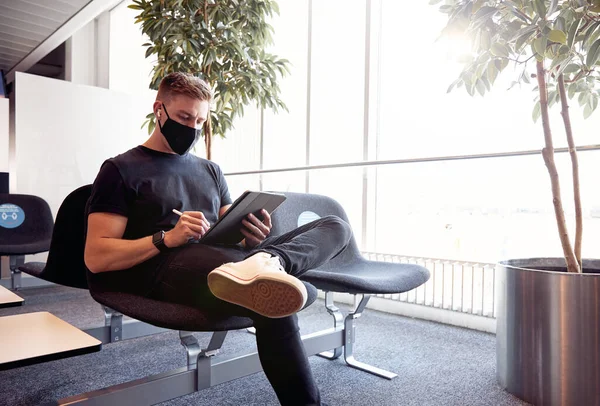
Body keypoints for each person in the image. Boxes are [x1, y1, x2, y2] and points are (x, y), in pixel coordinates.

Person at [83, 72, 352, 405]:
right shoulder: (121, 169)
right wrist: (166, 238)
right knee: (273, 302)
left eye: (199, 121)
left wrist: (249, 238)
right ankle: (262, 273)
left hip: (224, 261)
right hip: (163, 265)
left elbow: (228, 228)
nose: (192, 128)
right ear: (159, 110)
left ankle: (271, 261)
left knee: (335, 226)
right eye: (184, 117)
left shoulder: (210, 170)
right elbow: (96, 256)